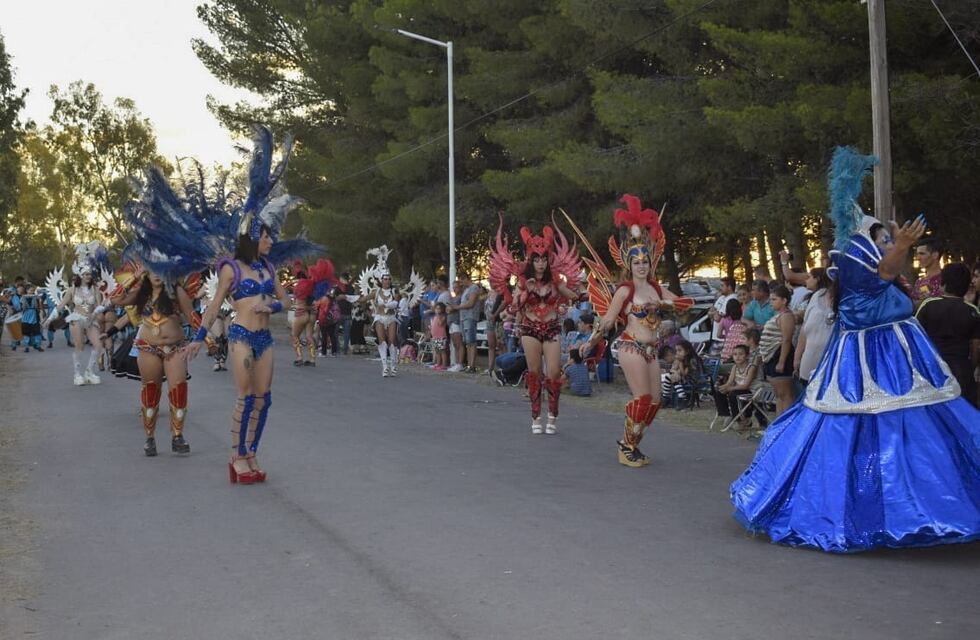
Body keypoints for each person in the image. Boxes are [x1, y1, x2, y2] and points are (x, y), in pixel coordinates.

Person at [731, 146, 980, 553]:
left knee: (914, 428)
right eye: (881, 237)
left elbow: (889, 271)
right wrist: (900, 245)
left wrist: (896, 244)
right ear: (865, 245)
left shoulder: (860, 266)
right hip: (870, 360)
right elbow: (886, 269)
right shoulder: (857, 265)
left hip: (896, 356)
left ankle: (912, 507)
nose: (888, 242)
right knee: (869, 427)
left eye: (888, 238)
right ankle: (880, 511)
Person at [187, 126, 320, 484]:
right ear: (251, 236)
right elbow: (215, 307)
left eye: (271, 236)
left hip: (264, 340)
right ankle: (236, 457)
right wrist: (200, 337)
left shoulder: (268, 267)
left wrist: (272, 309)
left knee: (265, 399)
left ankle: (253, 453)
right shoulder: (231, 268)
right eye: (265, 235)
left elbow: (286, 301)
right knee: (245, 397)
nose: (270, 240)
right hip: (243, 337)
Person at [569, 194, 693, 465]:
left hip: (651, 350)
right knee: (642, 398)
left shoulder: (656, 287)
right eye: (636, 261)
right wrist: (589, 344)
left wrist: (682, 304)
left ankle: (632, 444)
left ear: (650, 262)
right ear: (628, 263)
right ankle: (626, 447)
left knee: (655, 402)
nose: (641, 264)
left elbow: (680, 302)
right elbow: (608, 321)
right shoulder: (625, 290)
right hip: (630, 346)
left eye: (645, 260)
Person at [489, 214, 582, 435]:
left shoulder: (556, 280)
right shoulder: (523, 280)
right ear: (530, 259)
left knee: (553, 371)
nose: (540, 263)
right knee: (534, 372)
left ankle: (552, 414)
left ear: (548, 259)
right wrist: (527, 290)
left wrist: (583, 296)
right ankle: (535, 416)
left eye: (543, 259)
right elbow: (514, 306)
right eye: (536, 259)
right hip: (530, 329)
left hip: (551, 329)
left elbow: (571, 294)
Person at [109, 269, 198, 456]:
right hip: (148, 348)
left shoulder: (176, 291)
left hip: (175, 348)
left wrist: (208, 339)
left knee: (179, 389)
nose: (158, 275)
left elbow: (191, 315)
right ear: (147, 274)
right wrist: (134, 277)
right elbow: (115, 298)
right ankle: (150, 438)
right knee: (150, 391)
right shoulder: (141, 293)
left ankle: (177, 436)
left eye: (161, 270)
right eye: (152, 271)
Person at [43, 244, 110, 385]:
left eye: (90, 274)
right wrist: (49, 319)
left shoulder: (95, 289)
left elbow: (99, 305)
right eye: (85, 274)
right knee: (79, 346)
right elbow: (61, 305)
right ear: (80, 275)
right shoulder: (72, 290)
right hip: (77, 319)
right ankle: (77, 374)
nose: (88, 276)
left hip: (91, 320)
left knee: (98, 346)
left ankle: (89, 372)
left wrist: (98, 311)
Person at [916, 263, 980, 407]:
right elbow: (975, 348)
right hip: (962, 370)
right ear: (966, 286)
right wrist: (970, 367)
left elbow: (916, 337)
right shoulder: (972, 311)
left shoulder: (928, 305)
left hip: (933, 368)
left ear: (942, 283)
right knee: (965, 411)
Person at [757, 284, 795, 416]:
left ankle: (787, 424)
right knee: (778, 395)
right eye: (771, 299)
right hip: (770, 357)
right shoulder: (778, 315)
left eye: (774, 299)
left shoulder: (786, 316)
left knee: (785, 394)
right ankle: (779, 423)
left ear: (784, 300)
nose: (771, 302)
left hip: (779, 356)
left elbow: (786, 339)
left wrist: (782, 361)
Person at [793, 267, 834, 385]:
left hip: (833, 367)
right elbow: (804, 330)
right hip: (809, 365)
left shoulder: (847, 302)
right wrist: (797, 357)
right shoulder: (817, 296)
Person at [712, 344, 759, 429]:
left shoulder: (751, 367)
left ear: (747, 356)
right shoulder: (735, 367)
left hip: (750, 391)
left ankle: (740, 419)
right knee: (718, 391)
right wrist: (723, 387)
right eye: (735, 354)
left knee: (733, 394)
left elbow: (746, 385)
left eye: (741, 354)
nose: (737, 357)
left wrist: (731, 388)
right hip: (737, 389)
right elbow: (730, 382)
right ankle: (726, 414)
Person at [912, 237, 943, 305]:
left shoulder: (946, 280)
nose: (918, 258)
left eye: (922, 254)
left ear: (935, 255)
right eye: (917, 254)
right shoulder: (919, 282)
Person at [718, 298, 747, 362]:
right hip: (741, 347)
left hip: (728, 348)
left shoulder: (723, 320)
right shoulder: (742, 319)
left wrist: (726, 336)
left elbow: (718, 335)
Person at [429, 301, 449, 370]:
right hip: (435, 337)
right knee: (437, 351)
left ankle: (444, 364)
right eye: (436, 309)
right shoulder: (434, 317)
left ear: (442, 309)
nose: (437, 310)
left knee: (442, 351)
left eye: (439, 309)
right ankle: (438, 363)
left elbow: (440, 324)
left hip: (441, 337)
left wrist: (438, 316)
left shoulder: (443, 316)